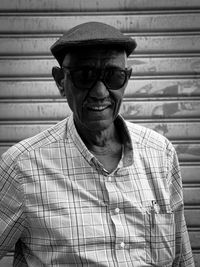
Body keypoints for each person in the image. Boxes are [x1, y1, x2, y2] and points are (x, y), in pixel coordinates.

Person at [0, 21, 194, 267]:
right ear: (61, 81)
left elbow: (181, 259)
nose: (100, 92)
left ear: (127, 78)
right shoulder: (21, 166)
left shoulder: (161, 154)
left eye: (113, 76)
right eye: (85, 76)